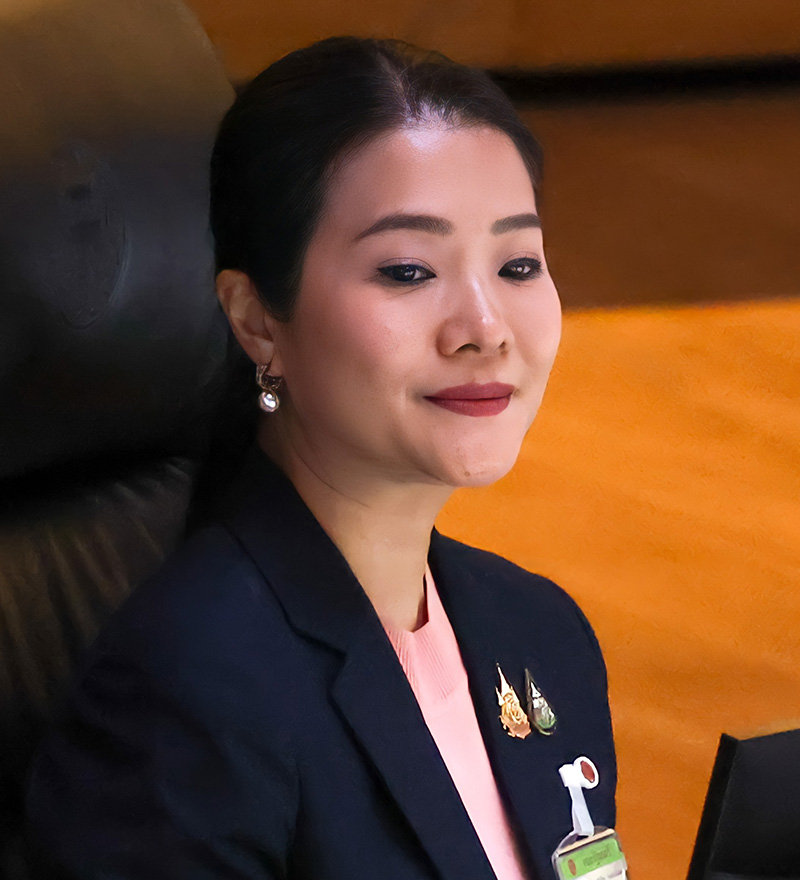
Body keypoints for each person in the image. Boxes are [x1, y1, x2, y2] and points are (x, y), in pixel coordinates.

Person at [25, 35, 616, 879]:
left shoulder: (540, 635)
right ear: (256, 319)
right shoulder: (189, 692)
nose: (485, 328)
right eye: (408, 271)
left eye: (518, 264)